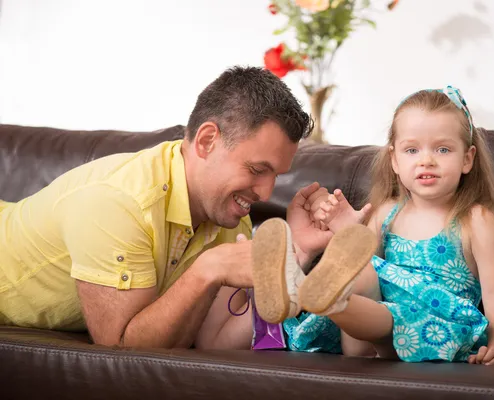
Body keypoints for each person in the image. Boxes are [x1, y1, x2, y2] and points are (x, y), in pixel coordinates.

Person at [0, 66, 332, 350]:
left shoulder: (228, 211)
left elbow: (212, 340)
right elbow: (119, 351)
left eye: (276, 176)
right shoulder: (118, 203)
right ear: (206, 141)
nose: (266, 192)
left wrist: (297, 250)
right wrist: (206, 270)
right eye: (258, 170)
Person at [252, 86, 494, 364]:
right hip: (362, 342)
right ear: (394, 159)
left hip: (435, 329)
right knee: (361, 268)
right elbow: (358, 270)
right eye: (412, 150)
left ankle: (313, 295)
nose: (426, 160)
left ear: (467, 159)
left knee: (389, 314)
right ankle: (304, 286)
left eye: (442, 149)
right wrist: (344, 229)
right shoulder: (387, 213)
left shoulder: (475, 219)